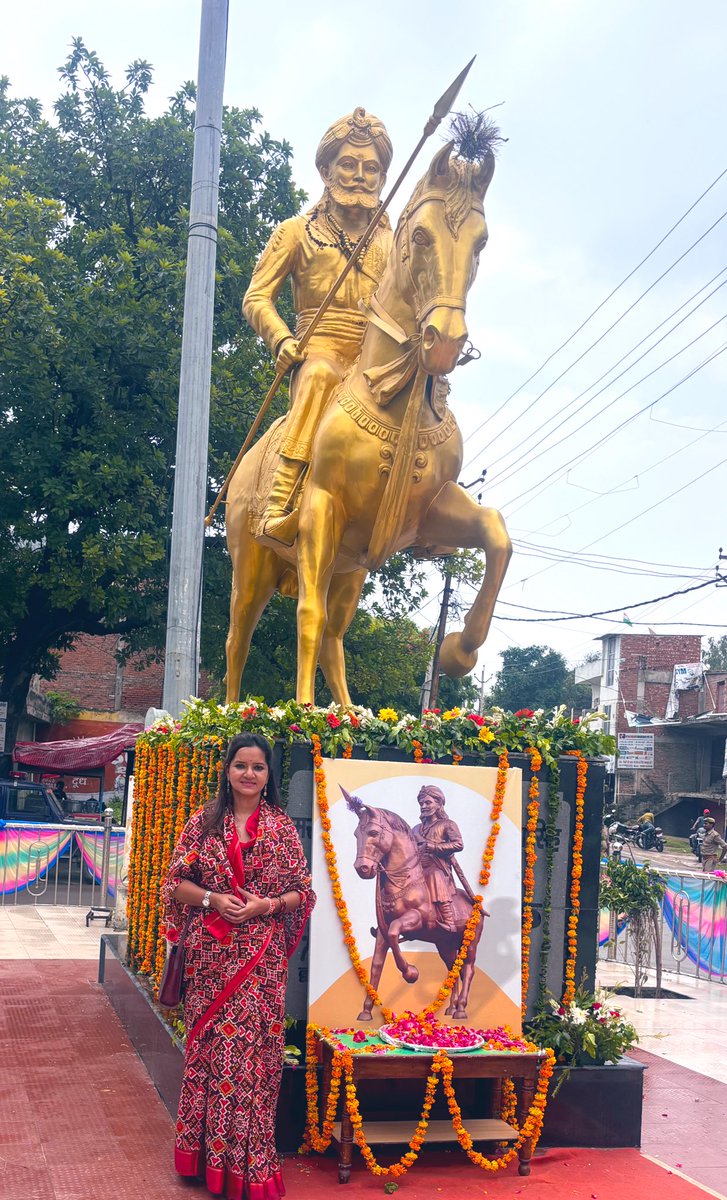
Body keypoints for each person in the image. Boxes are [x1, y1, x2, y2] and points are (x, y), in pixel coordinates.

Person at [161, 732, 315, 1200]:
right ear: (227, 770)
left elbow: (302, 894)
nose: (249, 774)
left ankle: (249, 1162)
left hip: (260, 965)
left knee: (252, 1062)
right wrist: (212, 898)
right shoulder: (202, 824)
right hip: (209, 959)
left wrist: (263, 906)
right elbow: (174, 882)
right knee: (209, 1055)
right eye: (241, 765)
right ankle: (201, 1159)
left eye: (258, 767)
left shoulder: (282, 829)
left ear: (269, 777)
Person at [243, 107, 393, 544]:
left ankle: (421, 500)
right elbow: (256, 297)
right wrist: (280, 338)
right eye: (349, 164)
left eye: (372, 168)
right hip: (319, 349)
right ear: (326, 170)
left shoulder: (394, 239)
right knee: (322, 375)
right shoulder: (296, 231)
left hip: (377, 358)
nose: (360, 176)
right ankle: (280, 500)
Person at [411, 784, 466, 931]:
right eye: (421, 803)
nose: (423, 806)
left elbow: (458, 844)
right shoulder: (416, 829)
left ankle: (449, 920)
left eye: (428, 802)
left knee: (434, 875)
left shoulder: (447, 824)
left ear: (439, 804)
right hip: (417, 868)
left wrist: (434, 847)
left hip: (437, 867)